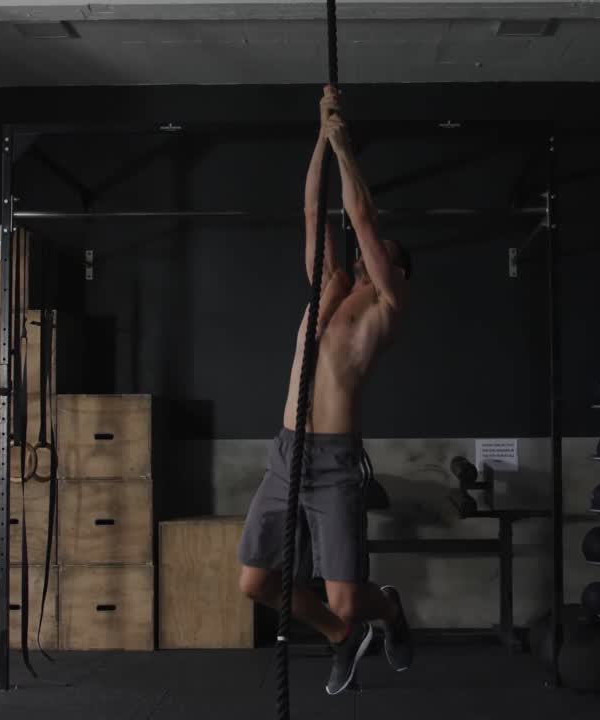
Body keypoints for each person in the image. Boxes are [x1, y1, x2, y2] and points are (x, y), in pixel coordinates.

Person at [237, 85, 414, 696]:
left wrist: (344, 146)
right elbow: (315, 214)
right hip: (286, 455)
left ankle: (386, 611)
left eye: (382, 255)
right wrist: (319, 136)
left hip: (336, 464)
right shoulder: (328, 292)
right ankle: (341, 637)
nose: (369, 257)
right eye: (369, 255)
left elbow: (361, 218)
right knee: (256, 584)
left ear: (396, 269)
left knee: (346, 594)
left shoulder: (388, 308)